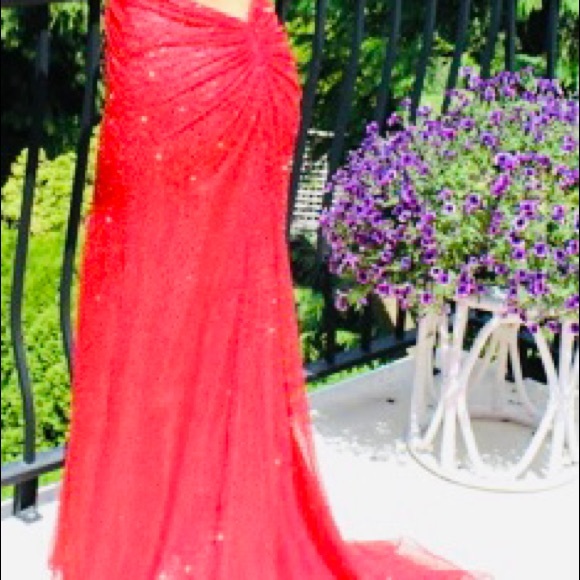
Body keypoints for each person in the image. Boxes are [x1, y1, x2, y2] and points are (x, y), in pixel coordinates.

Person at [49, 0, 486, 577]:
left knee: (154, 308)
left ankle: (154, 530)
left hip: (188, 65)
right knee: (211, 310)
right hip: (234, 55)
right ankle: (192, 520)